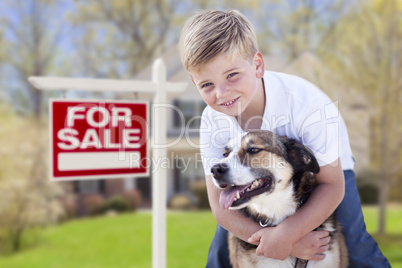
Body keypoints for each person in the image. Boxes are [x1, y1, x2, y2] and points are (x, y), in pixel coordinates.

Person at [179, 9, 390, 268]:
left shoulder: (309, 106)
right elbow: (220, 205)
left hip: (326, 170)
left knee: (356, 247)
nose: (222, 93)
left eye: (232, 75)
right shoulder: (212, 120)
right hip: (246, 177)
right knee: (220, 253)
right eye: (207, 85)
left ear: (257, 65)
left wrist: (287, 234)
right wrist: (280, 242)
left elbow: (331, 186)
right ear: (194, 83)